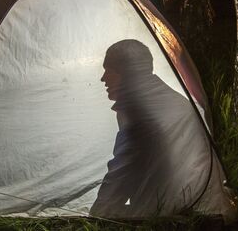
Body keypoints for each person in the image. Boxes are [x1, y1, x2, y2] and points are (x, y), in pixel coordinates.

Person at [90, 40, 211, 218]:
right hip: (195, 199)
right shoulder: (168, 98)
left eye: (110, 70)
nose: (103, 78)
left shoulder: (139, 114)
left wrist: (98, 213)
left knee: (104, 211)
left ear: (129, 74)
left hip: (173, 207)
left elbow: (122, 169)